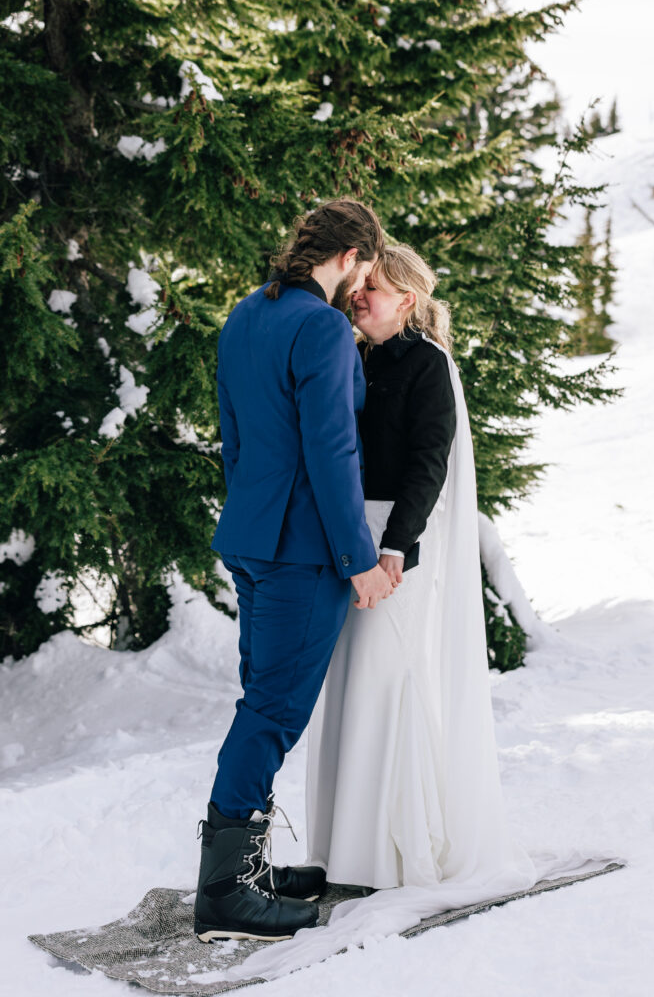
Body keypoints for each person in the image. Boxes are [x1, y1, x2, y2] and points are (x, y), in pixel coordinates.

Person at [306, 244, 538, 894]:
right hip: (345, 540)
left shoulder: (426, 364)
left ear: (406, 299)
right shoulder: (355, 356)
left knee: (386, 685)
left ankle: (390, 855)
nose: (358, 295)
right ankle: (341, 851)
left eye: (371, 287)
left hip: (392, 545)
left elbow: (427, 465)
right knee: (351, 688)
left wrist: (393, 548)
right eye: (356, 285)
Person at [193, 200, 394, 943]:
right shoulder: (320, 326)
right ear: (351, 258)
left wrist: (248, 520)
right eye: (366, 269)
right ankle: (222, 892)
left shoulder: (247, 315)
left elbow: (234, 437)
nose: (363, 283)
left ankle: (244, 869)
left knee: (262, 698)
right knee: (273, 710)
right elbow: (332, 451)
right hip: (302, 550)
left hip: (250, 536)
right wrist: (359, 561)